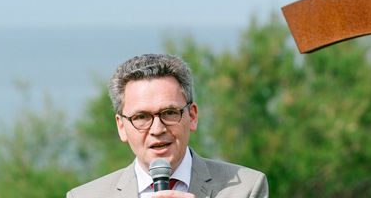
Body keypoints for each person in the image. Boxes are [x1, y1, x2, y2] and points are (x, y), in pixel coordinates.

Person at [67, 53, 269, 197]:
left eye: (169, 113)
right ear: (121, 126)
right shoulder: (84, 196)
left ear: (192, 115)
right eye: (141, 117)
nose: (157, 129)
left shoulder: (246, 187)